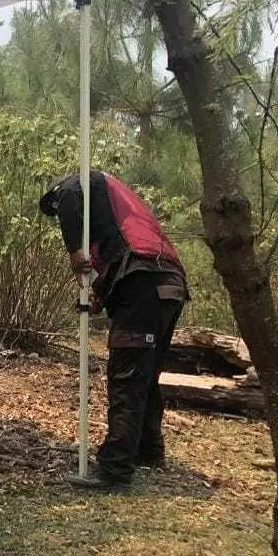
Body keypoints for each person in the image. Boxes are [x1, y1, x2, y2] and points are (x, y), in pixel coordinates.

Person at [40, 171, 189, 491]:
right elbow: (120, 261)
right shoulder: (120, 209)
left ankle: (115, 470)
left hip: (143, 283)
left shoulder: (81, 182)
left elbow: (67, 195)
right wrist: (100, 295)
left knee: (127, 378)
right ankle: (148, 450)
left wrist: (74, 253)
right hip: (168, 285)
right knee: (145, 376)